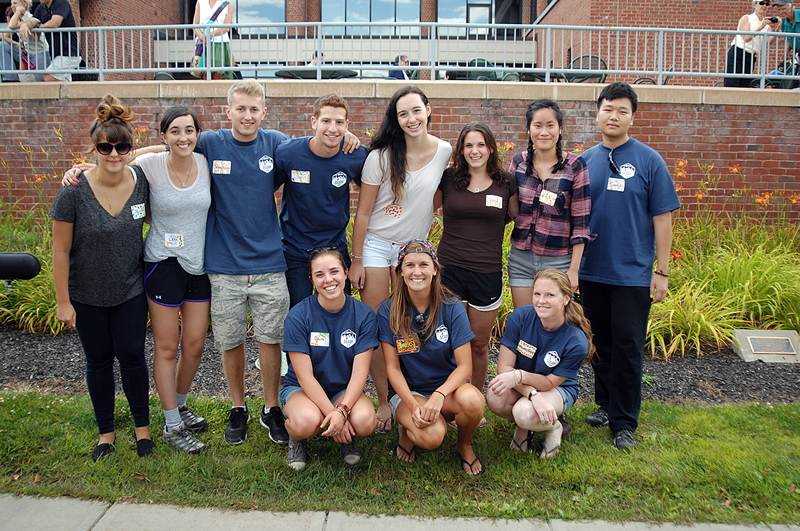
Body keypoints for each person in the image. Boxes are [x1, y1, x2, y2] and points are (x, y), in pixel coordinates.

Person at [50, 94, 153, 461]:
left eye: (122, 147)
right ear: (94, 149)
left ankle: (143, 430)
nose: (114, 154)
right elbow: (60, 250)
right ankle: (106, 433)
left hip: (129, 290)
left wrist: (139, 152)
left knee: (133, 358)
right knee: (98, 362)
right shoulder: (73, 192)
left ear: (130, 149)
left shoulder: (141, 181)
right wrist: (63, 301)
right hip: (86, 294)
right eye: (105, 147)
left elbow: (168, 148)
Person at [579, 82, 680, 450]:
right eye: (608, 109)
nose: (613, 116)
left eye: (622, 110)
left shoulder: (649, 160)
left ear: (632, 117)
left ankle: (624, 422)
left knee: (627, 344)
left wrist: (662, 271)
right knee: (600, 343)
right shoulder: (585, 160)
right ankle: (605, 405)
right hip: (590, 270)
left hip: (632, 273)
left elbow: (663, 218)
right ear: (598, 113)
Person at [349, 85, 452, 435]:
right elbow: (362, 214)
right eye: (402, 113)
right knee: (384, 327)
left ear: (428, 110)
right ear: (396, 119)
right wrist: (358, 259)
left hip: (414, 249)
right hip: (378, 245)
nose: (411, 119)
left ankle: (413, 396)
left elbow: (438, 195)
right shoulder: (381, 156)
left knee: (411, 324)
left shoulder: (444, 151)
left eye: (416, 110)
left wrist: (417, 215)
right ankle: (384, 400)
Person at [377, 239, 485, 476]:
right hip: (409, 394)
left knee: (474, 401)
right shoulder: (388, 310)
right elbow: (392, 370)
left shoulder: (452, 306)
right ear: (400, 271)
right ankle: (407, 429)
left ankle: (464, 444)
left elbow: (465, 366)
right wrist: (414, 404)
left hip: (446, 391)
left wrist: (439, 395)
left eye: (424, 265)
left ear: (435, 270)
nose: (417, 272)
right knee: (432, 437)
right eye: (410, 265)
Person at [139, 107, 212, 454]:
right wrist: (83, 167)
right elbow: (116, 160)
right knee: (167, 348)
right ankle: (172, 424)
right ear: (163, 136)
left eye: (189, 131)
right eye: (174, 132)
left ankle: (180, 404)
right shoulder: (152, 164)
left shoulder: (207, 164)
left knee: (195, 345)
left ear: (198, 133)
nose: (183, 137)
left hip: (199, 266)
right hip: (163, 265)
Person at [434, 122, 518, 422]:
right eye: (468, 145)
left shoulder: (507, 182)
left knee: (479, 344)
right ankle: (445, 399)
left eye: (481, 144)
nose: (475, 151)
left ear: (491, 148)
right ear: (460, 150)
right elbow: (425, 208)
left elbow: (515, 217)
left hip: (487, 272)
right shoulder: (448, 180)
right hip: (449, 270)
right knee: (447, 341)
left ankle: (475, 401)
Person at [280, 246, 378, 471]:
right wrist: (335, 413)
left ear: (345, 272)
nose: (328, 280)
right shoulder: (298, 316)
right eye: (319, 274)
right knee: (306, 422)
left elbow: (360, 373)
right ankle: (297, 438)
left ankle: (347, 434)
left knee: (365, 421)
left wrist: (342, 410)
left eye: (334, 271)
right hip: (302, 390)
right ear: (311, 280)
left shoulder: (363, 315)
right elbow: (304, 378)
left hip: (344, 389)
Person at [486, 269, 594, 459]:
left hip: (558, 388)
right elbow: (504, 369)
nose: (541, 301)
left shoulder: (576, 340)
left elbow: (550, 383)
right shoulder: (520, 317)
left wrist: (521, 376)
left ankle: (554, 428)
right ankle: (526, 426)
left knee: (524, 413)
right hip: (524, 385)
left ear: (566, 299)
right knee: (495, 396)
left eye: (550, 295)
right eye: (537, 294)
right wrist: (532, 394)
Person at [274, 94, 367, 309]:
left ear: (347, 125)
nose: (332, 128)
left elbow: (373, 196)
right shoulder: (288, 153)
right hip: (296, 250)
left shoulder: (356, 155)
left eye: (339, 123)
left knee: (340, 313)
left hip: (335, 248)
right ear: (314, 121)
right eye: (326, 121)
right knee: (299, 313)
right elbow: (266, 190)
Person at [507, 99, 592, 306]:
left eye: (550, 125)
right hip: (521, 259)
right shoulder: (518, 162)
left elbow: (581, 223)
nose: (544, 132)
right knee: (526, 320)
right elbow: (507, 210)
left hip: (559, 261)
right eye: (537, 126)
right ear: (529, 129)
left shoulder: (575, 166)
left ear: (560, 128)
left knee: (554, 326)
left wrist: (573, 270)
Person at [19, 0, 80, 82]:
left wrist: (40, 28)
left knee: (48, 76)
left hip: (69, 52)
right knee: (63, 81)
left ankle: (77, 90)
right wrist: (24, 25)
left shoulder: (61, 3)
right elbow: (32, 22)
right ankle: (74, 93)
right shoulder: (41, 7)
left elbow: (55, 23)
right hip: (56, 54)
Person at [724, 0, 780, 87]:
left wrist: (777, 30)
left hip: (750, 56)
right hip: (738, 53)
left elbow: (768, 42)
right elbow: (746, 38)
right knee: (732, 84)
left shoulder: (767, 26)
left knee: (746, 85)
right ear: (754, 5)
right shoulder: (746, 18)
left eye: (767, 4)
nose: (764, 6)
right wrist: (761, 27)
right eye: (762, 3)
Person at [6, 0, 51, 82]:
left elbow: (12, 26)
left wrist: (19, 11)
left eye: (15, 3)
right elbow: (10, 28)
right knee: (3, 46)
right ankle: (9, 79)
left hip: (39, 52)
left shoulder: (30, 17)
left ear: (24, 4)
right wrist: (16, 44)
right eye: (11, 3)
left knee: (40, 82)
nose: (12, 6)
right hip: (26, 53)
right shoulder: (17, 19)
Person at [193, 0, 234, 80]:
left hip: (220, 42)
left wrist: (208, 34)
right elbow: (195, 25)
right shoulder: (200, 2)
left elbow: (226, 28)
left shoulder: (228, 5)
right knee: (204, 74)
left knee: (217, 75)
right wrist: (201, 36)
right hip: (203, 43)